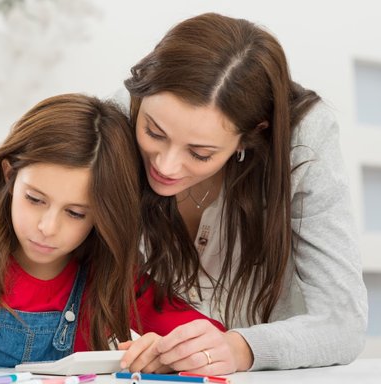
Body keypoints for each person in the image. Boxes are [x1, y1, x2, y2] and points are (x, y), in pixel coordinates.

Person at [0, 93, 224, 379]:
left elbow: (210, 338)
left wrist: (167, 352)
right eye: (34, 199)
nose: (47, 227)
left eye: (76, 213)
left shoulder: (111, 274)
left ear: (103, 217)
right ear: (9, 175)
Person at [117, 13, 368, 374]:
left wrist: (239, 348)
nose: (167, 166)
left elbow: (342, 322)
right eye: (154, 133)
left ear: (252, 134)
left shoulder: (302, 139)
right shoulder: (116, 118)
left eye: (200, 153)